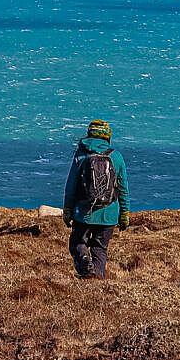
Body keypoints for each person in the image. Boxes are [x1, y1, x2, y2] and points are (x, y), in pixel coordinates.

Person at [62, 119, 130, 279]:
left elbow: (71, 186)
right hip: (109, 214)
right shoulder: (116, 156)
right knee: (100, 248)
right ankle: (96, 279)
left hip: (83, 213)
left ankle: (87, 270)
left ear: (89, 134)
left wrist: (68, 210)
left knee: (77, 244)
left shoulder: (81, 155)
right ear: (107, 136)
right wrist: (124, 214)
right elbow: (123, 189)